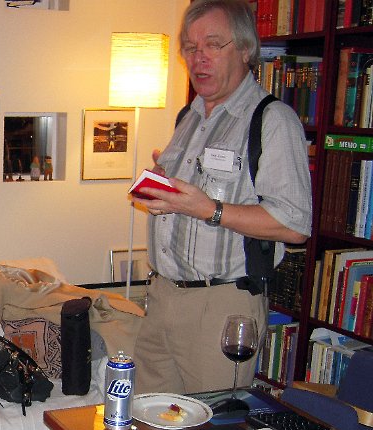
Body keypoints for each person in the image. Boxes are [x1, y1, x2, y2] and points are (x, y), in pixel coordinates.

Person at [130, 0, 312, 395]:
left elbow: (294, 224)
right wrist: (164, 188)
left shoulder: (273, 121)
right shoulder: (190, 116)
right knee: (150, 420)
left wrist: (208, 210)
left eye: (213, 45)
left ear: (245, 49)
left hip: (221, 306)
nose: (199, 58)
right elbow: (188, 199)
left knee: (210, 426)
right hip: (163, 296)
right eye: (190, 47)